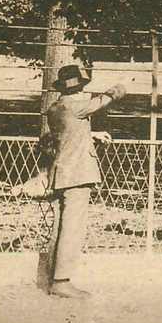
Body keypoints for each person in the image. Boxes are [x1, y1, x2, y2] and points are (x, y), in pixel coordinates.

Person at [45, 64, 127, 299]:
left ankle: (54, 276)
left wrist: (91, 135)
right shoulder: (77, 103)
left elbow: (69, 132)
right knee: (72, 229)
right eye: (83, 87)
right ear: (78, 88)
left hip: (63, 172)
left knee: (62, 226)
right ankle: (61, 281)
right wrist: (121, 86)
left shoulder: (57, 107)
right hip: (77, 174)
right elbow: (106, 99)